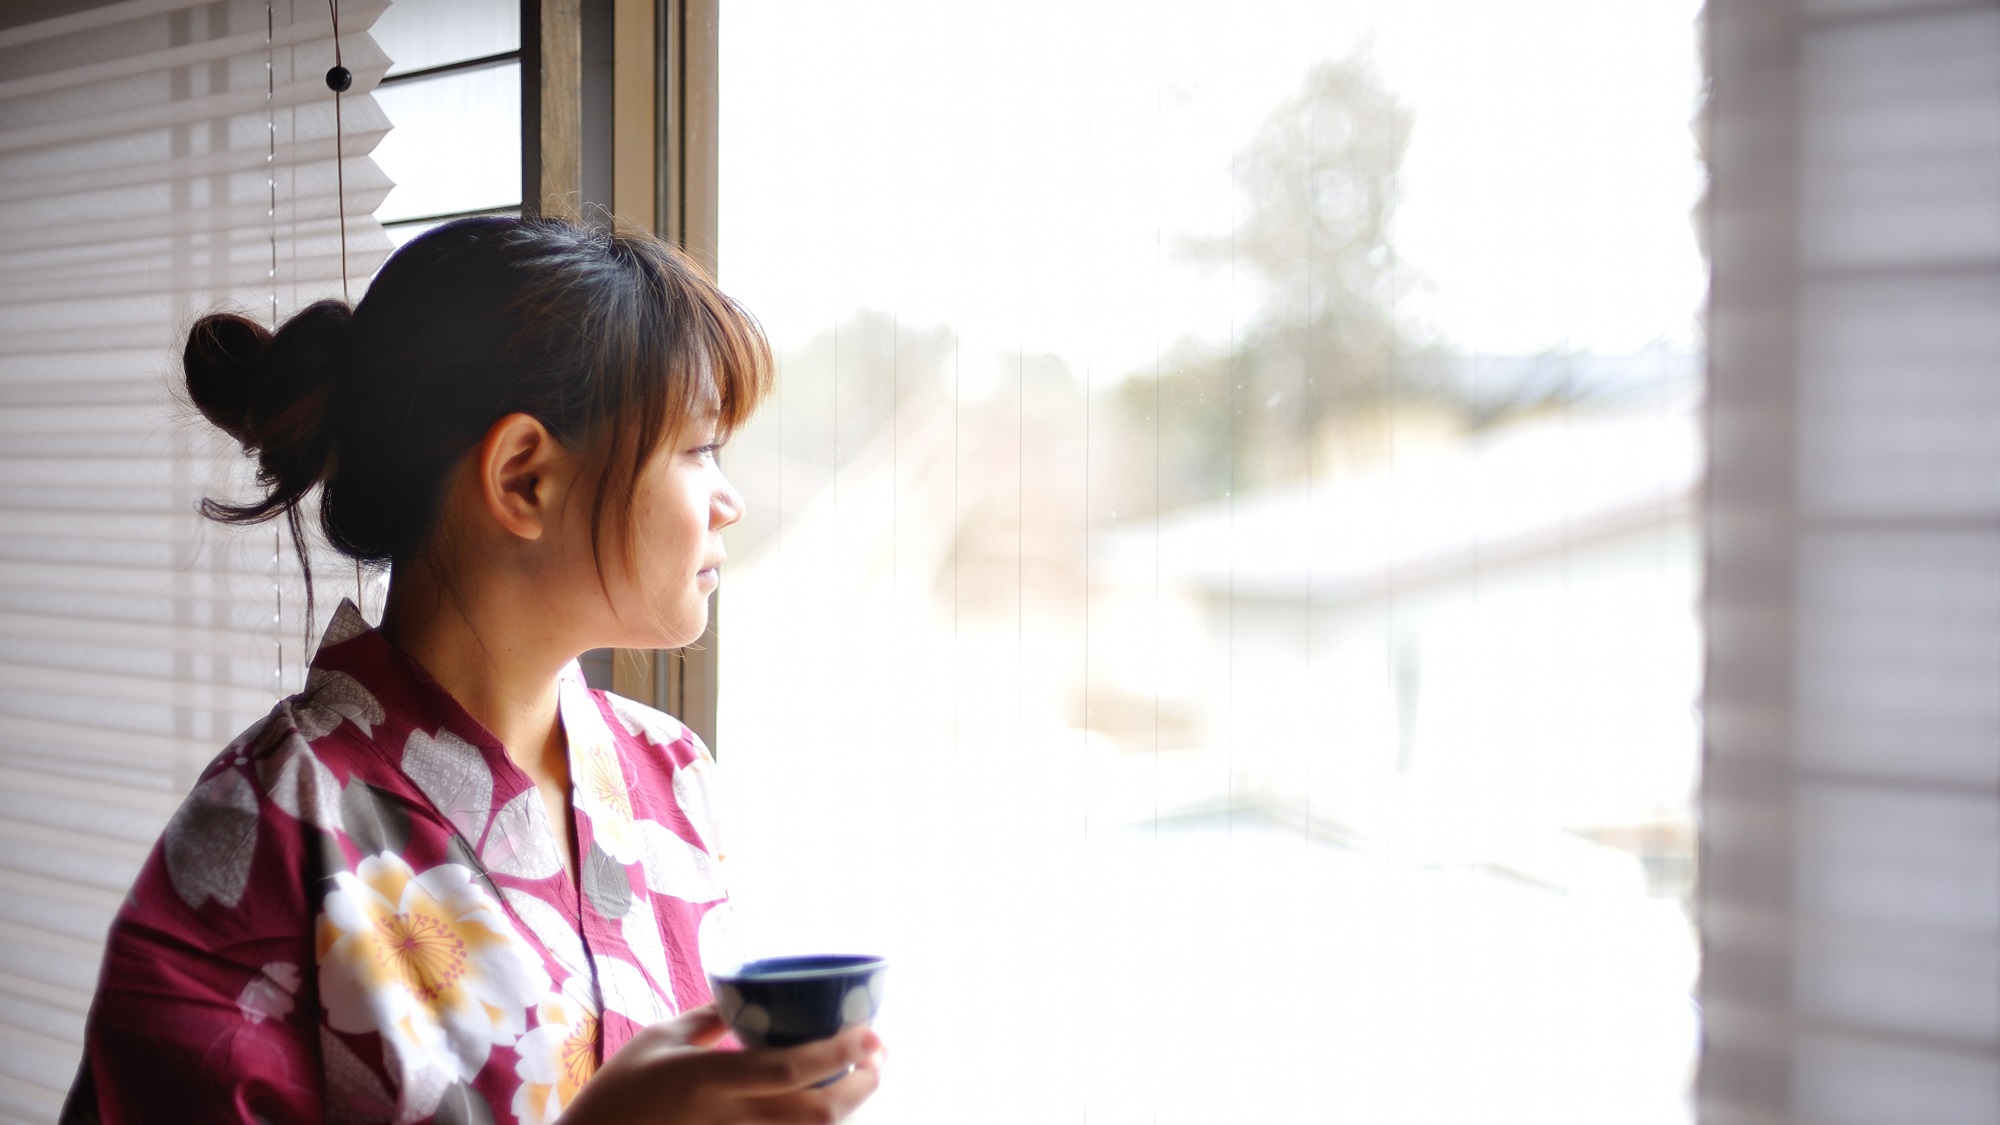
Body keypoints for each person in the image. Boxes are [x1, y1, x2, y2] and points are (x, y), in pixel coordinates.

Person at [60, 215, 883, 1124]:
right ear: (525, 476)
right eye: (697, 449)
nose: (729, 499)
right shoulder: (264, 830)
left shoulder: (671, 771)